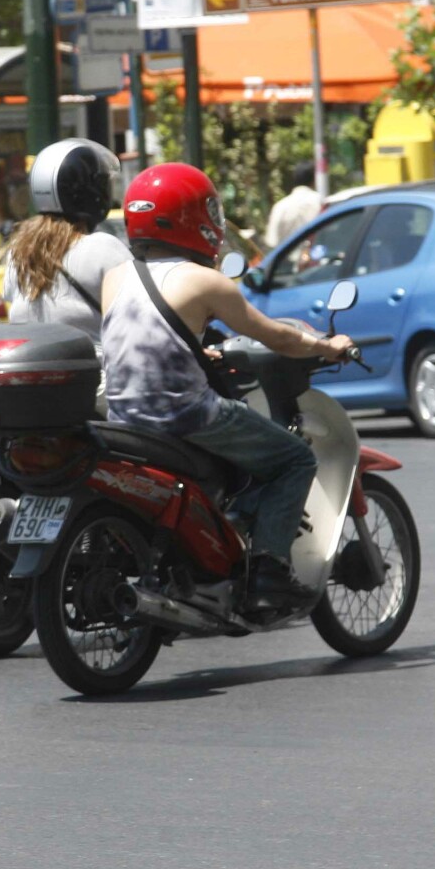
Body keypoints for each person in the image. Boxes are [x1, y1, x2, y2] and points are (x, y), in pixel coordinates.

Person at [100, 163, 352, 609]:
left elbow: (148, 339)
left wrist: (199, 352)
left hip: (123, 418)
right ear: (192, 218)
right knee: (293, 458)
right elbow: (276, 336)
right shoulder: (207, 281)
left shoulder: (115, 278)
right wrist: (326, 346)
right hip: (186, 416)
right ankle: (270, 572)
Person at [2, 137, 128, 340]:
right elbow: (139, 309)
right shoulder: (103, 248)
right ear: (92, 191)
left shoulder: (17, 252)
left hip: (34, 365)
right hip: (95, 368)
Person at [264, 163, 323, 249]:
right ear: (314, 180)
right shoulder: (321, 201)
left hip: (286, 260)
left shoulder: (280, 207)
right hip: (317, 258)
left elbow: (272, 242)